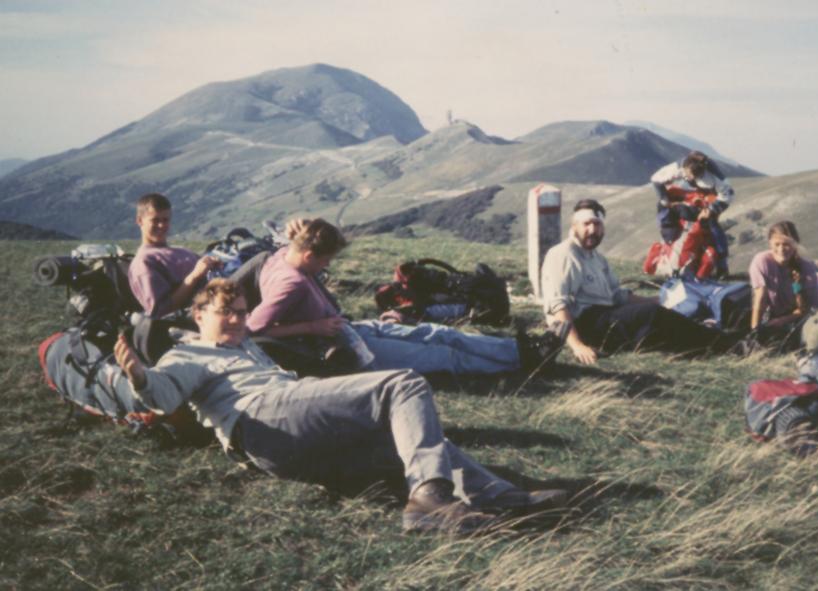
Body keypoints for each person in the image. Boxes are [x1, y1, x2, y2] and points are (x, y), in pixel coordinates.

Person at [112, 279, 566, 533]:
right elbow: (166, 392)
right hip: (262, 418)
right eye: (223, 312)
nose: (234, 320)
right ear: (199, 316)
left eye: (240, 311)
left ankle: (500, 497)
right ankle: (429, 501)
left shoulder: (245, 346)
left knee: (415, 438)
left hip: (292, 441)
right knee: (402, 385)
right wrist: (139, 377)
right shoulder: (190, 354)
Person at [245, 218, 559, 375]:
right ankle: (522, 364)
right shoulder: (291, 283)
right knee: (442, 356)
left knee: (437, 332)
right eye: (326, 259)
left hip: (349, 329)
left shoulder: (285, 253)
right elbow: (253, 328)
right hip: (345, 349)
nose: (328, 266)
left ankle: (522, 350)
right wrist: (312, 329)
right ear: (311, 254)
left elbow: (298, 236)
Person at [539, 199, 739, 365]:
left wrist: (657, 300)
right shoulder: (563, 254)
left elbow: (617, 295)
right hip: (585, 325)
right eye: (586, 224)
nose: (592, 230)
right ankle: (726, 344)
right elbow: (558, 306)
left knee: (659, 323)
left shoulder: (596, 258)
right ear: (574, 227)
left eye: (597, 224)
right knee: (652, 316)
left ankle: (712, 344)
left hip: (606, 317)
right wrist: (577, 346)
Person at [127, 193, 221, 318]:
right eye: (155, 220)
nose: (161, 225)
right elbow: (160, 311)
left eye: (165, 220)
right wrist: (194, 276)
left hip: (221, 290)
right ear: (140, 221)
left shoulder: (179, 251)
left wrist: (212, 264)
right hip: (207, 307)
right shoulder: (144, 262)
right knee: (257, 262)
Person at [650, 151, 734, 275]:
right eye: (687, 174)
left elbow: (728, 195)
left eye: (695, 175)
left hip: (711, 197)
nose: (690, 178)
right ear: (684, 167)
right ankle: (669, 241)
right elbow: (656, 179)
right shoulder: (677, 168)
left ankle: (722, 263)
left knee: (711, 224)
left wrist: (710, 210)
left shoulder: (715, 177)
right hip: (688, 195)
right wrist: (665, 201)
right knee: (662, 208)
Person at [748, 221, 818, 347]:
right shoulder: (761, 262)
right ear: (770, 244)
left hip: (797, 318)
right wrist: (755, 331)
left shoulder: (806, 269)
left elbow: (813, 307)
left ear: (795, 245)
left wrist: (783, 320)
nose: (781, 249)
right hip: (769, 317)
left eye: (786, 244)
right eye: (777, 244)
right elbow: (760, 298)